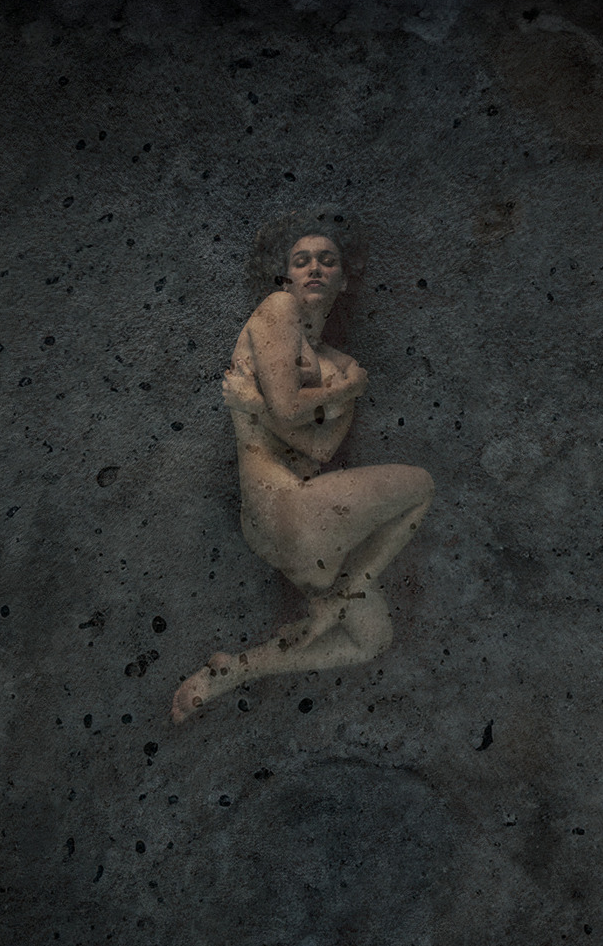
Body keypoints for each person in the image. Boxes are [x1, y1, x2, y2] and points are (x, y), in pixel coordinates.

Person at [171, 211, 434, 722]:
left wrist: (256, 404)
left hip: (299, 527)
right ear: (285, 275)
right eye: (302, 260)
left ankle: (234, 670)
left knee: (371, 640)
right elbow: (292, 410)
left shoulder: (339, 364)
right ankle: (344, 594)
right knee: (421, 485)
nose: (314, 268)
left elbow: (320, 449)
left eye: (327, 260)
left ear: (344, 278)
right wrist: (338, 394)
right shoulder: (279, 310)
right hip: (282, 508)